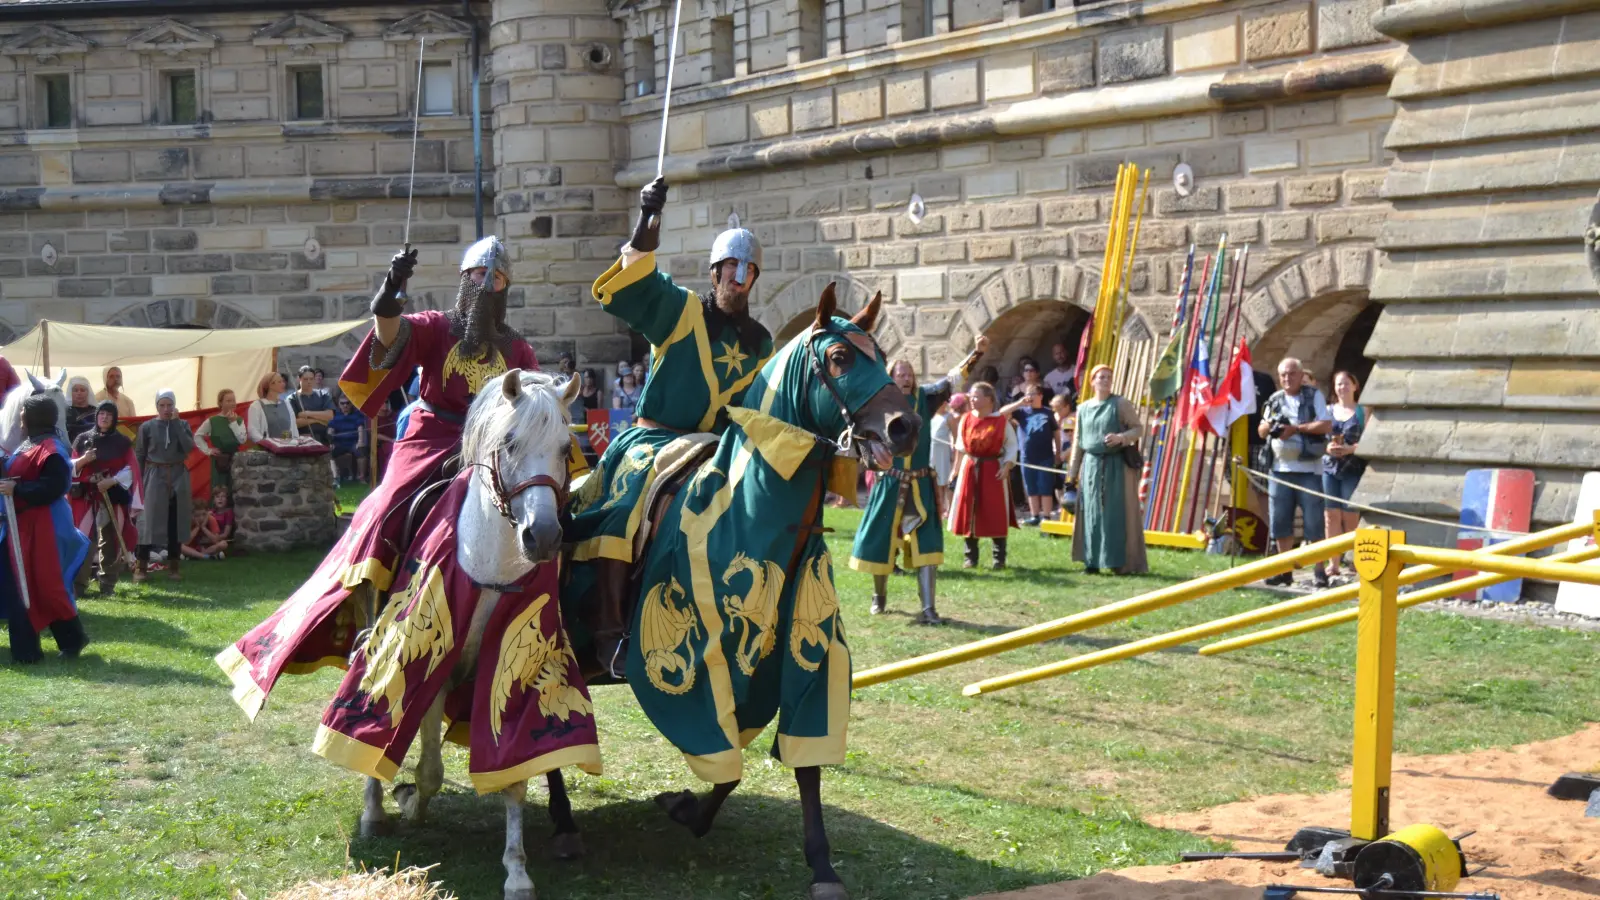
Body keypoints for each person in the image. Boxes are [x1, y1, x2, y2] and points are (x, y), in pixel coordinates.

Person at [567, 175, 774, 674]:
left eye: (748, 270)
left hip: (716, 448)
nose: (738, 277)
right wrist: (647, 220)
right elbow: (634, 284)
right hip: (653, 441)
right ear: (715, 271)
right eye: (731, 267)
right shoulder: (682, 311)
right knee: (628, 506)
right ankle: (609, 633)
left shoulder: (761, 342)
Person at [850, 339, 987, 625]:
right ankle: (879, 598)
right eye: (901, 374)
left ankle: (928, 608)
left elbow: (953, 378)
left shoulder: (925, 398)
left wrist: (976, 353)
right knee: (880, 542)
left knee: (928, 543)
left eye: (909, 373)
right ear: (890, 376)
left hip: (921, 484)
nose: (906, 377)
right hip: (890, 483)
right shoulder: (879, 402)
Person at [1, 395, 90, 663]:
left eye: (23, 414)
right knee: (20, 585)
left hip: (45, 526)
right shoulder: (26, 445)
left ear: (32, 417)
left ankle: (71, 640)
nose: (19, 418)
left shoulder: (51, 449)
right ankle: (27, 650)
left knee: (47, 586)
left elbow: (56, 486)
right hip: (22, 524)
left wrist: (19, 489)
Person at [1258, 357, 1333, 588]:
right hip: (1279, 470)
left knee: (1314, 522)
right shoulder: (1274, 400)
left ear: (1301, 375)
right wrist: (1271, 428)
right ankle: (1284, 569)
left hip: (1309, 470)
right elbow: (1261, 430)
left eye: (1291, 374)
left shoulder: (1314, 396)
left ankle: (1320, 570)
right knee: (1280, 521)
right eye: (1283, 375)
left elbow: (1326, 425)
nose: (1287, 379)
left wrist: (1296, 429)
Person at [1067, 364, 1148, 575]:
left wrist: (1121, 438)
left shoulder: (1120, 404)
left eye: (1109, 377)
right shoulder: (1083, 408)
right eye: (1101, 377)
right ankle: (1091, 562)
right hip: (1091, 465)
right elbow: (1078, 442)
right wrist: (1071, 475)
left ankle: (1117, 562)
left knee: (1114, 513)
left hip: (1116, 466)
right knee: (1091, 513)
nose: (1105, 380)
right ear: (1093, 381)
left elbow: (1138, 428)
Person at [70, 401, 139, 594]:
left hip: (113, 495)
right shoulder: (83, 439)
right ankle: (78, 585)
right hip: (87, 497)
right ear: (96, 416)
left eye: (109, 414)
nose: (105, 417)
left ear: (114, 418)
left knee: (111, 541)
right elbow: (71, 466)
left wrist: (112, 481)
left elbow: (131, 468)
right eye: (101, 413)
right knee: (84, 539)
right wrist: (84, 461)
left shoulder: (123, 442)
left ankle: (107, 584)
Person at [948, 382, 1018, 569]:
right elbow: (960, 447)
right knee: (970, 510)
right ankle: (970, 557)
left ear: (989, 399)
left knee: (995, 512)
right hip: (970, 469)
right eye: (971, 396)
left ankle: (999, 559)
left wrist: (1007, 466)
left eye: (977, 396)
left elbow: (1011, 445)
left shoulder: (1001, 421)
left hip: (992, 469)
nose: (972, 399)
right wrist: (955, 471)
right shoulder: (966, 419)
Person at [133, 389, 195, 582]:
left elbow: (188, 448)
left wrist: (175, 423)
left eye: (169, 405)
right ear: (157, 406)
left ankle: (174, 567)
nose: (166, 409)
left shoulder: (182, 424)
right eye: (162, 405)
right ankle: (141, 567)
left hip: (178, 474)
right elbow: (140, 454)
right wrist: (139, 482)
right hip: (154, 474)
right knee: (148, 521)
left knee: (176, 520)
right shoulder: (147, 427)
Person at [1321, 370, 1367, 580]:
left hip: (1352, 467)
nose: (1342, 387)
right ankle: (1333, 562)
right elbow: (1318, 438)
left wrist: (1350, 449)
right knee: (1331, 516)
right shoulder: (1327, 410)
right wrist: (1327, 447)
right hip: (1330, 468)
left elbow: (1369, 441)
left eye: (1346, 383)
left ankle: (1354, 560)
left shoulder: (1362, 411)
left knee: (1350, 516)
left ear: (1355, 386)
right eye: (1339, 384)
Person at [1011, 383, 1061, 526]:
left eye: (1033, 393)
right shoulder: (1021, 412)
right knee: (1030, 486)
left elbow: (1056, 433)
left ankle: (1046, 516)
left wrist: (1057, 452)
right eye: (1027, 393)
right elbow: (1002, 413)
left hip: (1045, 455)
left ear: (1040, 396)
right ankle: (1034, 516)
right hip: (1027, 456)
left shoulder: (1048, 413)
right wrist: (1019, 403)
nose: (1030, 396)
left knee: (1045, 487)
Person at [194, 389, 246, 493]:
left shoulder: (239, 420)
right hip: (219, 462)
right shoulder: (212, 421)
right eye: (228, 401)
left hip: (235, 460)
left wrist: (233, 422)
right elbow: (197, 436)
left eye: (233, 400)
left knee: (235, 489)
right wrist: (208, 450)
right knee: (219, 491)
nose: (232, 403)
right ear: (220, 403)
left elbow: (242, 440)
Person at [930, 391, 964, 518]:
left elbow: (956, 437)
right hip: (933, 453)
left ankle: (950, 509)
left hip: (943, 453)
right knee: (936, 481)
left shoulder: (948, 417)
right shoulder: (932, 417)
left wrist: (954, 454)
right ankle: (940, 508)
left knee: (945, 481)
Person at [246, 372, 299, 444]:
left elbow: (292, 428)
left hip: (286, 448)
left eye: (283, 381)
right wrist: (269, 444)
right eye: (279, 381)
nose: (283, 384)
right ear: (270, 385)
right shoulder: (256, 406)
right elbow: (253, 431)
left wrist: (287, 443)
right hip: (267, 449)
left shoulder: (286, 404)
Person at [182, 488, 233, 560]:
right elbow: (186, 542)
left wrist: (203, 528)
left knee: (223, 544)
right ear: (192, 515)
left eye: (203, 514)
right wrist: (197, 527)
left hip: (206, 548)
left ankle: (194, 556)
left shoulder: (211, 519)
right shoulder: (188, 521)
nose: (201, 518)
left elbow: (215, 540)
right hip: (191, 547)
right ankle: (205, 556)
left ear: (207, 512)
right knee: (179, 546)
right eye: (197, 515)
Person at [289, 365, 335, 445]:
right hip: (301, 441)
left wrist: (306, 414)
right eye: (305, 379)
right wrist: (317, 420)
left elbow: (330, 416)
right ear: (299, 379)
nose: (309, 381)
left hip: (323, 440)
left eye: (311, 379)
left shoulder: (323, 394)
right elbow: (294, 423)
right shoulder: (292, 398)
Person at [327, 395, 368, 484]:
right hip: (339, 443)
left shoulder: (357, 414)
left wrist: (360, 441)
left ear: (351, 404)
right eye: (342, 403)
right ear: (339, 405)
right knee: (329, 452)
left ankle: (361, 478)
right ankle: (335, 478)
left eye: (348, 403)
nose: (345, 405)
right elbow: (330, 430)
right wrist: (330, 442)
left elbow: (360, 428)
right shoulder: (335, 415)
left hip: (353, 442)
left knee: (361, 450)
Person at [64, 376, 96, 443]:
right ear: (71, 392)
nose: (79, 393)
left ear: (88, 392)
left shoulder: (96, 412)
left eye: (82, 390)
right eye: (75, 390)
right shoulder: (66, 413)